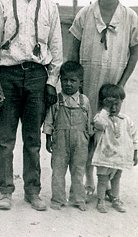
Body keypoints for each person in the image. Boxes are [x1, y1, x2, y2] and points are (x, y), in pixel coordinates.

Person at [0, 0, 63, 211]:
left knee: (33, 138)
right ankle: (6, 190)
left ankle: (33, 191)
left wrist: (52, 81)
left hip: (37, 77)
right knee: (5, 137)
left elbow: (56, 48)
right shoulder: (1, 4)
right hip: (7, 76)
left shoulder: (50, 7)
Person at [69, 0, 138, 201]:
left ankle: (109, 183)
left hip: (112, 86)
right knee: (88, 131)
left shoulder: (129, 17)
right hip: (89, 82)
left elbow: (134, 53)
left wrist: (121, 84)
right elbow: (73, 49)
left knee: (110, 132)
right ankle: (87, 179)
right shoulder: (85, 14)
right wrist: (76, 83)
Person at [43, 61, 93, 211]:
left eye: (73, 80)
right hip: (60, 141)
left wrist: (89, 140)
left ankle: (78, 198)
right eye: (65, 80)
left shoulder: (84, 101)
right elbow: (49, 121)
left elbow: (89, 124)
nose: (69, 84)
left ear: (80, 82)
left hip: (80, 143)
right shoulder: (56, 100)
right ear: (60, 80)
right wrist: (48, 139)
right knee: (58, 170)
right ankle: (57, 199)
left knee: (78, 170)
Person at [92, 84, 138, 213]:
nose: (114, 108)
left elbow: (134, 137)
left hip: (119, 156)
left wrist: (135, 153)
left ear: (122, 103)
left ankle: (115, 198)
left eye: (116, 104)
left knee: (116, 178)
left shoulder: (126, 120)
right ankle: (100, 200)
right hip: (104, 155)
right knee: (102, 179)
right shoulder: (100, 117)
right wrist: (105, 109)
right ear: (103, 103)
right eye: (110, 105)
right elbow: (99, 124)